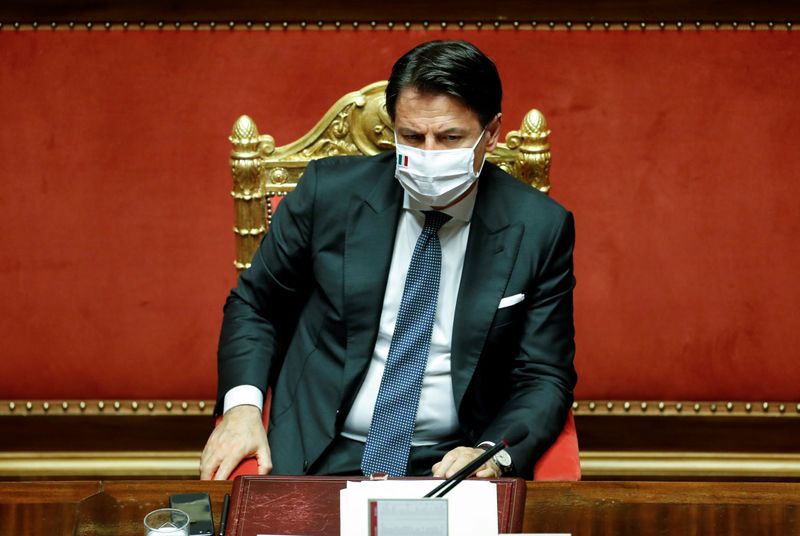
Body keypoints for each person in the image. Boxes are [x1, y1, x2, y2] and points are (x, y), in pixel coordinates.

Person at [200, 40, 576, 481]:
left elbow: (544, 373)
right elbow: (255, 305)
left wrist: (489, 453)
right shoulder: (330, 195)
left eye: (450, 138)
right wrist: (242, 409)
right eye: (412, 137)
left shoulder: (539, 228)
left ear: (490, 133)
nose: (429, 155)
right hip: (316, 445)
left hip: (452, 460)